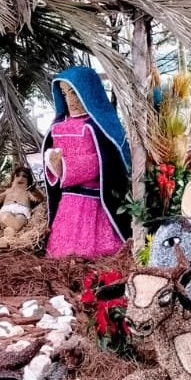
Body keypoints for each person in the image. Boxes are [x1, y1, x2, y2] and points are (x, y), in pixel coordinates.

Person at [43, 66, 132, 258]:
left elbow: (104, 162)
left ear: (88, 91)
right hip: (68, 203)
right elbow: (54, 161)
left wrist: (64, 167)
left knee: (95, 254)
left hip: (94, 202)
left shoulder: (99, 126)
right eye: (65, 94)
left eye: (75, 92)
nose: (71, 100)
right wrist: (52, 164)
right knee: (62, 254)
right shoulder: (58, 127)